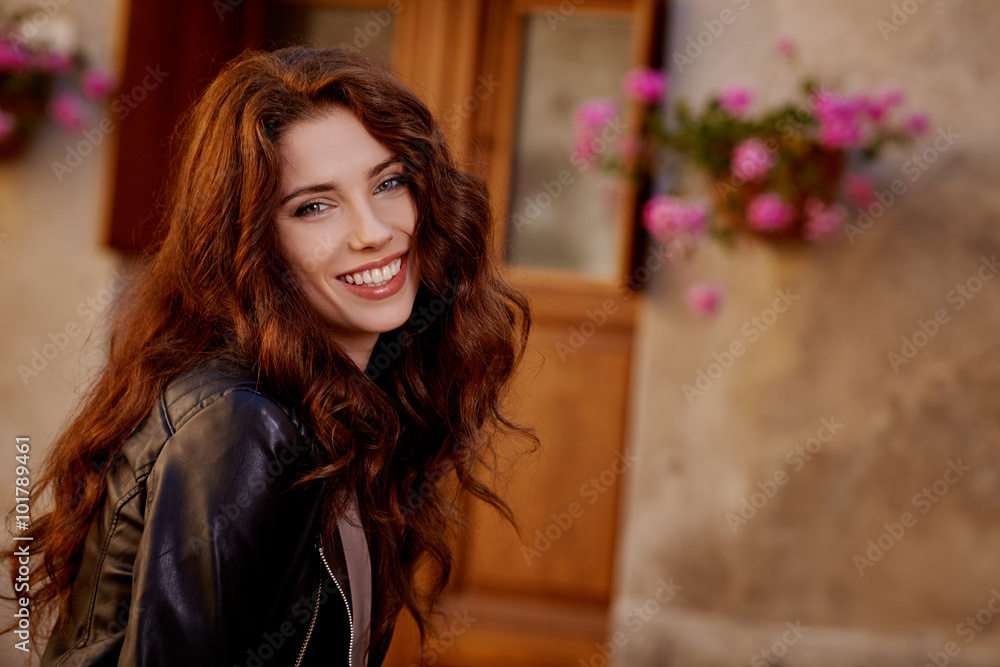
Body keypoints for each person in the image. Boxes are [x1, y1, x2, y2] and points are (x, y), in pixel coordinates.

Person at [1, 45, 533, 666]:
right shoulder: (245, 424)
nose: (373, 231)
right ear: (255, 242)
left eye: (389, 182)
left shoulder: (343, 403)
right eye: (314, 206)